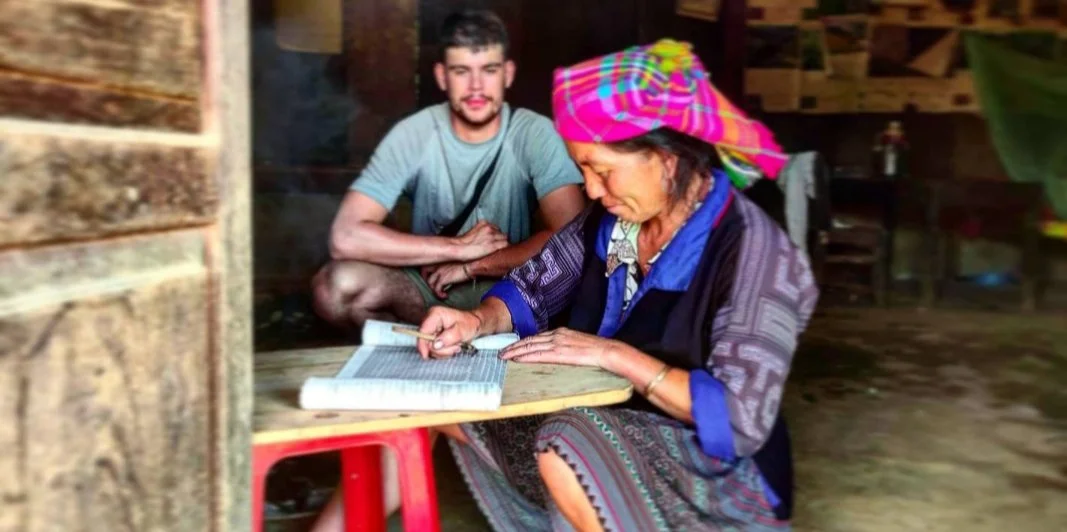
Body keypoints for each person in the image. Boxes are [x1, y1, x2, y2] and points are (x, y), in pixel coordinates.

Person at [416, 39, 819, 531]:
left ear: (667, 160)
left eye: (602, 170)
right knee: (440, 401)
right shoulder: (610, 222)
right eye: (582, 168)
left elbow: (738, 419)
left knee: (569, 442)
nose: (589, 188)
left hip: (714, 470)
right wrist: (475, 320)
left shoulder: (754, 251)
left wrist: (612, 355)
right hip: (604, 427)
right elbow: (533, 288)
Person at [311, 9, 585, 331]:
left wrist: (474, 265)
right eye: (461, 71)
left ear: (508, 74)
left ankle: (466, 338)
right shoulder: (414, 133)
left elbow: (573, 240)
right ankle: (419, 349)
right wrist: (456, 248)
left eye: (489, 70)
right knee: (334, 288)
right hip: (429, 287)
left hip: (509, 292)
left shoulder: (534, 133)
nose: (476, 87)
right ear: (442, 76)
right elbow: (345, 237)